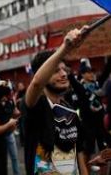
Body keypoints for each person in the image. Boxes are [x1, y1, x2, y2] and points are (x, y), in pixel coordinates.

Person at [23, 27, 89, 175]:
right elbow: (36, 84)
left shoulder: (70, 112)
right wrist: (65, 48)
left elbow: (79, 154)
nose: (64, 74)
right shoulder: (36, 106)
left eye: (64, 69)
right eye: (56, 71)